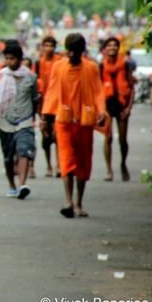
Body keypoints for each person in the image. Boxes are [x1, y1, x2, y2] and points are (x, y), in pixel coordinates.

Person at [42, 33, 106, 218]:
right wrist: (45, 118)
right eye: (68, 51)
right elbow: (52, 91)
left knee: (83, 161)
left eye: (74, 51)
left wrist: (101, 111)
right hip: (63, 120)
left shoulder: (91, 68)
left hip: (85, 121)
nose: (70, 55)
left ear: (81, 51)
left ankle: (79, 203)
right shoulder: (58, 67)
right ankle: (68, 201)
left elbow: (97, 91)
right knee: (66, 159)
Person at [0, 41, 39, 199]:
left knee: (24, 150)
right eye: (7, 58)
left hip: (24, 120)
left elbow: (35, 98)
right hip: (5, 122)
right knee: (8, 157)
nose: (10, 62)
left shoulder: (31, 77)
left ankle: (22, 184)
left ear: (20, 59)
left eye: (13, 58)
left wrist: (38, 117)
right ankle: (12, 185)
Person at [100, 37, 135, 181]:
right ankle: (109, 170)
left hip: (122, 104)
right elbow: (97, 89)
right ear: (105, 49)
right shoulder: (101, 66)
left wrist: (128, 108)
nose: (112, 47)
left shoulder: (125, 65)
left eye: (115, 45)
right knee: (107, 138)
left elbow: (132, 88)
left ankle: (123, 164)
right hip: (107, 105)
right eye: (109, 45)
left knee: (122, 140)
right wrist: (100, 109)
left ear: (118, 48)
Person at [34, 36, 61, 178]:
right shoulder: (39, 63)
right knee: (46, 135)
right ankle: (49, 165)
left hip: (58, 102)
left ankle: (59, 165)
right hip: (44, 103)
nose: (48, 48)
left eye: (51, 45)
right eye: (46, 45)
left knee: (58, 135)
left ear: (54, 47)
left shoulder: (60, 61)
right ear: (42, 47)